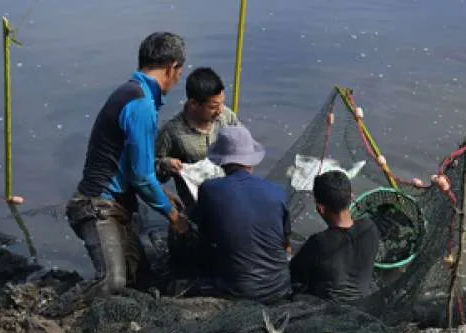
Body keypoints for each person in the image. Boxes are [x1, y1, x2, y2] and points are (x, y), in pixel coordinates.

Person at [65, 32, 190, 293]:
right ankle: (49, 317)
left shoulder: (132, 92)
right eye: (180, 72)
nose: (178, 79)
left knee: (141, 282)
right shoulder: (141, 104)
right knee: (112, 282)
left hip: (119, 207)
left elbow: (132, 167)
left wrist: (163, 193)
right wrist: (173, 215)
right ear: (172, 68)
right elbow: (142, 176)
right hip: (96, 207)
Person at [190, 125, 291, 303]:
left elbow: (202, 231)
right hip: (280, 287)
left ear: (222, 160)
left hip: (235, 291)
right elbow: (285, 243)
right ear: (250, 160)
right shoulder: (277, 191)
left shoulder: (209, 189)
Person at [289, 170, 380, 303]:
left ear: (320, 209)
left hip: (331, 312)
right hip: (364, 302)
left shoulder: (318, 242)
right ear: (352, 197)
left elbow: (294, 273)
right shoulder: (370, 228)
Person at [155, 67, 240, 208]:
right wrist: (165, 164)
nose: (220, 111)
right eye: (213, 107)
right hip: (197, 205)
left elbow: (245, 152)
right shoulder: (172, 132)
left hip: (230, 199)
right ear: (194, 104)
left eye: (222, 103)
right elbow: (150, 173)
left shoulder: (226, 117)